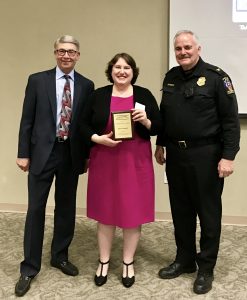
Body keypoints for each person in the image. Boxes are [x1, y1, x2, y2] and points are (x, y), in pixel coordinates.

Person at [155, 30, 240, 295]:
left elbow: (230, 121)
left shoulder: (217, 78)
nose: (183, 52)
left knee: (208, 213)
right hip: (176, 155)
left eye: (187, 47)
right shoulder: (171, 76)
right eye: (178, 48)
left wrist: (228, 156)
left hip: (207, 155)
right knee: (181, 211)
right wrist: (160, 142)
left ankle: (206, 267)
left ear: (198, 48)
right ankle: (185, 259)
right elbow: (165, 113)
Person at [15, 35, 94, 297]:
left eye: (71, 51)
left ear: (78, 55)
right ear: (55, 53)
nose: (66, 56)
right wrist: (23, 153)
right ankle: (29, 267)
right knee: (36, 209)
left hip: (70, 155)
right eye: (62, 51)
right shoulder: (37, 80)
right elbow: (27, 119)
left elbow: (85, 126)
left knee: (66, 207)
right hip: (41, 154)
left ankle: (59, 256)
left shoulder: (87, 85)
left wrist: (86, 156)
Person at [80, 53, 161, 288]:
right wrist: (96, 138)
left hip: (135, 163)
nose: (122, 71)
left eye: (127, 67)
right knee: (105, 212)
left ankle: (128, 262)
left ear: (133, 71)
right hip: (105, 159)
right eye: (117, 67)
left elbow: (159, 126)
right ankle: (103, 261)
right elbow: (82, 125)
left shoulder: (143, 95)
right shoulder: (99, 95)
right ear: (111, 70)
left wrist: (146, 121)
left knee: (132, 213)